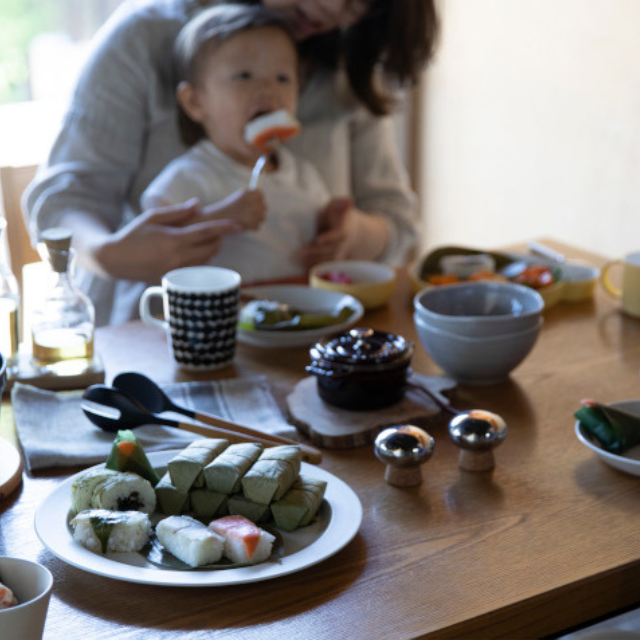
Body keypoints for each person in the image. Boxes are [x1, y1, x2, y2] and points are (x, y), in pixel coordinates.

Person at [24, 0, 439, 326]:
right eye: (242, 77)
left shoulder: (348, 66)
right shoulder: (144, 38)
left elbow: (397, 220)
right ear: (193, 100)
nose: (334, 8)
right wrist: (108, 253)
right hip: (155, 339)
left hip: (299, 335)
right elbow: (65, 201)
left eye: (360, 1)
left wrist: (355, 235)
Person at [140, 4, 336, 288]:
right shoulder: (191, 175)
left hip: (294, 317)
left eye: (283, 78)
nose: (269, 89)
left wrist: (332, 227)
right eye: (244, 76)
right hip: (221, 322)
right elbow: (153, 244)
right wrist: (219, 218)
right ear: (195, 102)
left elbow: (321, 242)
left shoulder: (305, 175)